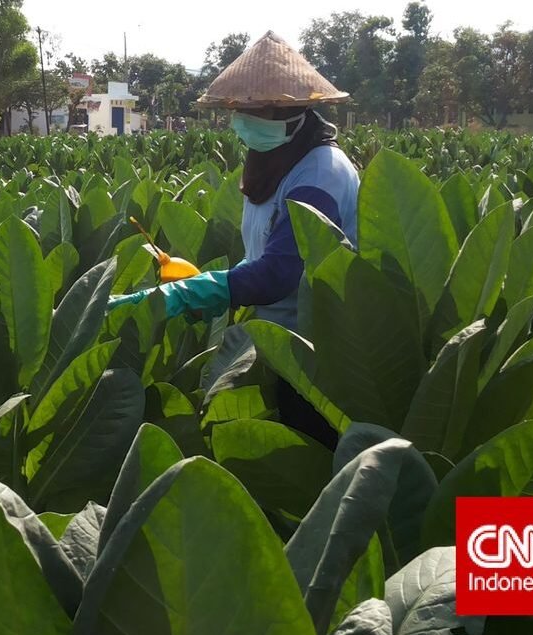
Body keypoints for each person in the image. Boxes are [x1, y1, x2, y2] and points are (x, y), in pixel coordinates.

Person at [109, 32, 360, 450]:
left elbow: (280, 272)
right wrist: (205, 289)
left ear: (294, 113)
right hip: (282, 351)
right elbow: (262, 254)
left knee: (315, 464)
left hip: (321, 358)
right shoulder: (278, 160)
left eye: (257, 110)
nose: (243, 119)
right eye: (240, 110)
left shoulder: (321, 172)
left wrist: (194, 293)